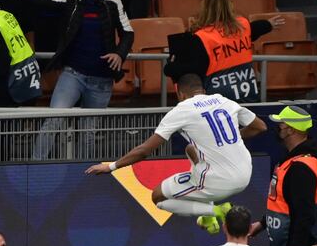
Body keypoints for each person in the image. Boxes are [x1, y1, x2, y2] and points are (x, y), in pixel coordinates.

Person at [86, 73, 268, 234]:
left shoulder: (181, 110)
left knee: (157, 197)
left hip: (219, 181)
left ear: (178, 92)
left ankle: (216, 211)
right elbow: (260, 127)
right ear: (203, 90)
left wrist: (111, 166)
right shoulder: (224, 100)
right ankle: (207, 213)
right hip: (246, 173)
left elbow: (144, 151)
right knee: (191, 149)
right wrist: (231, 139)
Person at [4, 0, 133, 159]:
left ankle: (85, 174)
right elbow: (43, 1)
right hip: (73, 74)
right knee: (53, 120)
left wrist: (119, 53)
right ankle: (35, 166)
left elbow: (128, 33)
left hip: (102, 79)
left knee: (88, 132)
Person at [249, 106, 317, 246]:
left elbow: (305, 213)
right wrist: (262, 224)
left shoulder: (300, 168)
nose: (277, 128)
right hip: (287, 243)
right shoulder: (299, 160)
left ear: (291, 130)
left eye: (281, 124)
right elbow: (285, 203)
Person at [164, 0, 283, 104]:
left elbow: (190, 68)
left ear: (205, 9)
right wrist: (269, 24)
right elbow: (256, 28)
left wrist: (170, 68)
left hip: (218, 102)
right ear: (230, 7)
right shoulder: (243, 26)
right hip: (248, 97)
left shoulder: (201, 38)